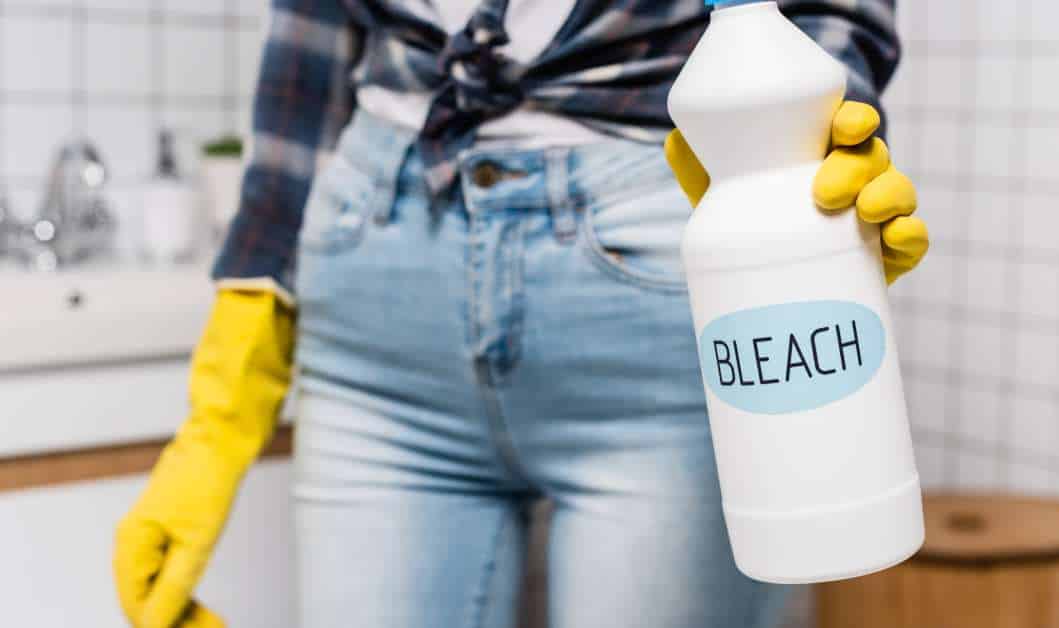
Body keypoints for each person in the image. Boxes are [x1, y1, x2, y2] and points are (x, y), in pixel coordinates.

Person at [112, 1, 928, 627]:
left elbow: (831, 15)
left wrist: (803, 158)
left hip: (659, 264)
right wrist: (230, 399)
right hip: (377, 293)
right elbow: (309, 46)